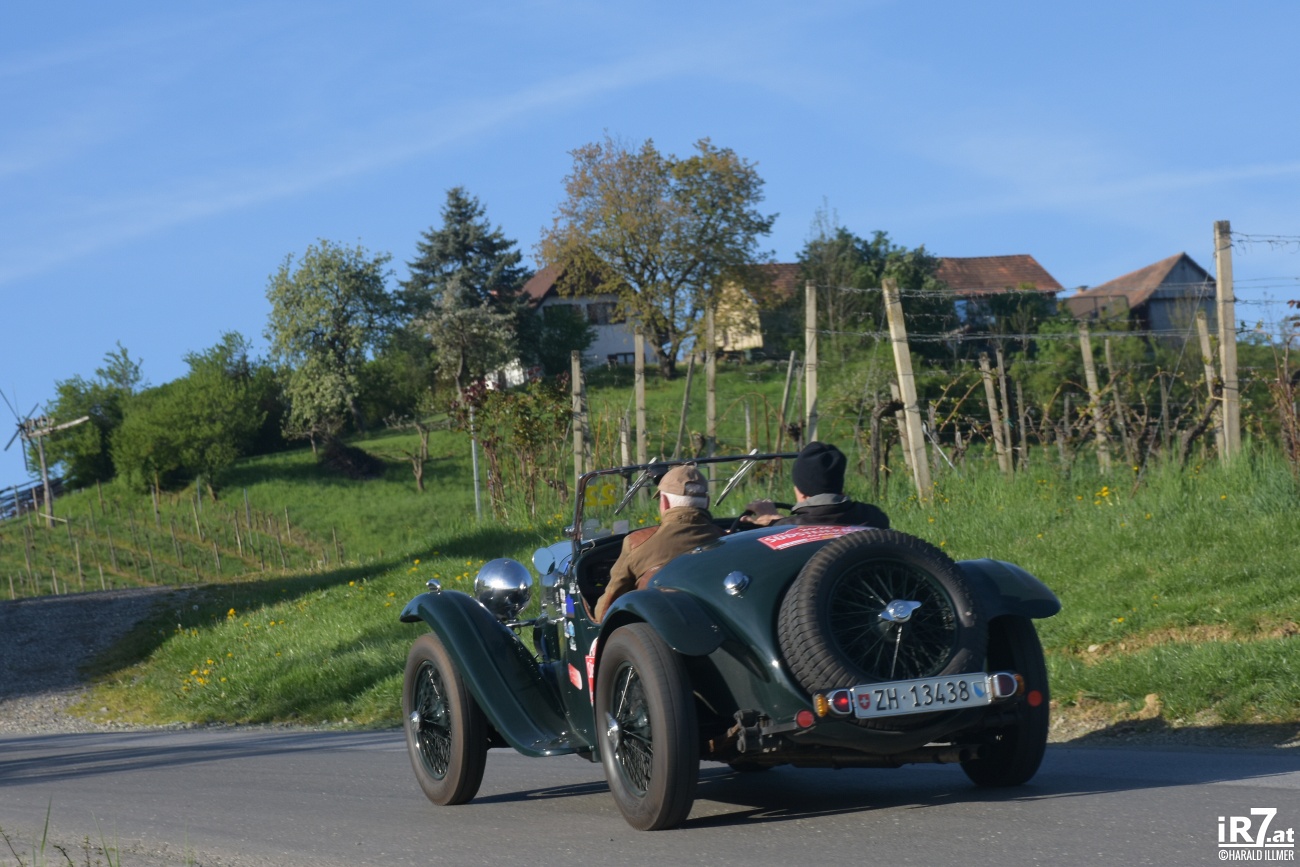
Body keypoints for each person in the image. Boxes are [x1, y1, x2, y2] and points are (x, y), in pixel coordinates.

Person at [593, 464, 722, 621]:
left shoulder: (637, 543)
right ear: (707, 502)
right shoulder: (726, 540)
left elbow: (607, 608)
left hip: (655, 627)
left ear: (665, 502)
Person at [745, 441, 890, 528]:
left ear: (801, 492)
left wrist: (774, 522)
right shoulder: (874, 517)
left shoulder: (786, 529)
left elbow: (809, 522)